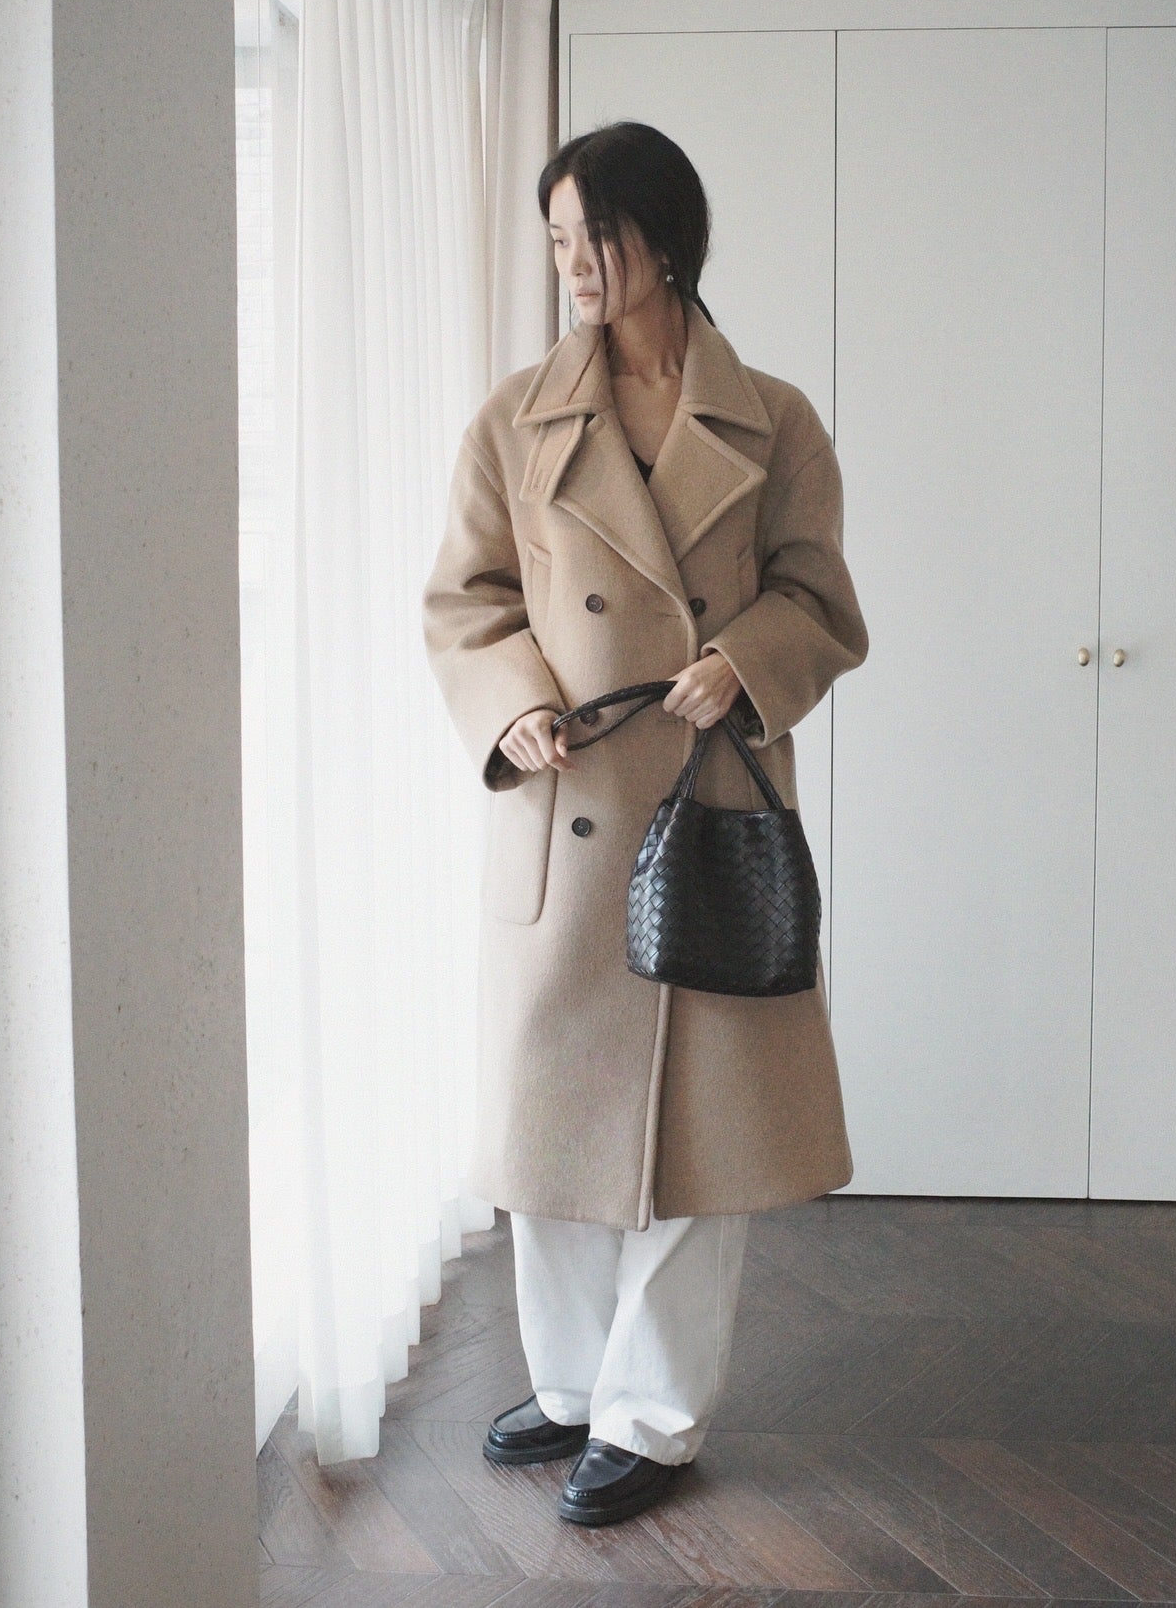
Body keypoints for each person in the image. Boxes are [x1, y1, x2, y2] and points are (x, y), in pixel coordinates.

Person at [421, 121, 869, 1525]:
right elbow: (467, 601)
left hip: (707, 805)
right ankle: (570, 1387)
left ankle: (653, 1416)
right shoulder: (515, 418)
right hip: (570, 816)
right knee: (548, 1127)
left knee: (702, 1142)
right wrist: (511, 706)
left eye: (594, 238)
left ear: (665, 242)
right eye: (556, 239)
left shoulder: (774, 419)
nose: (572, 265)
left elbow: (821, 601)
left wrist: (741, 659)